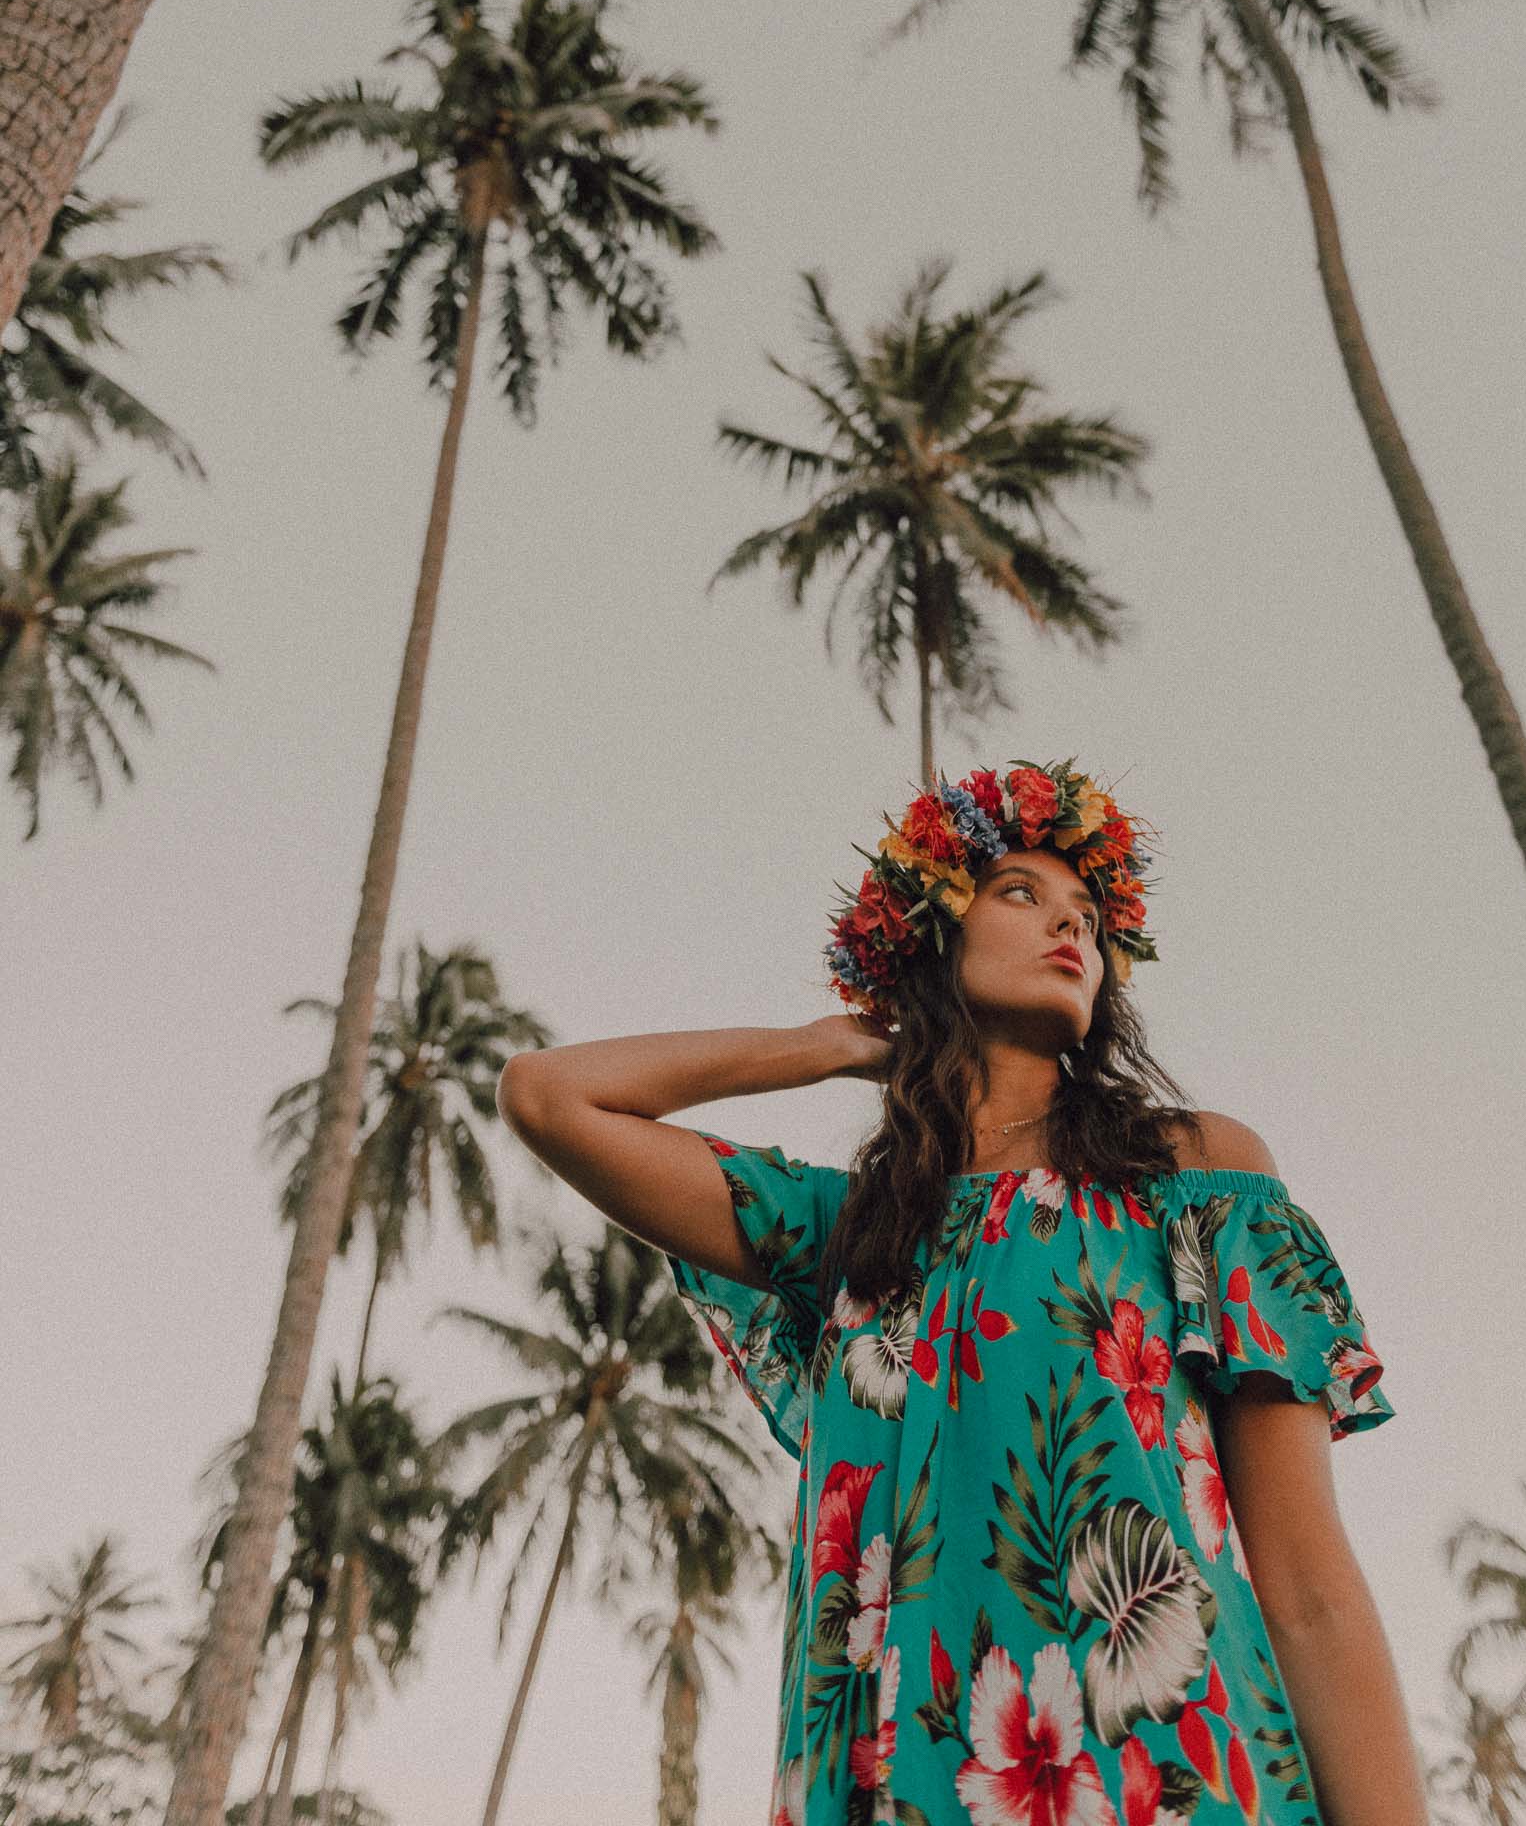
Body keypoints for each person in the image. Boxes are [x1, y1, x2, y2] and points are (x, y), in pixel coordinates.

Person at [498, 759, 1426, 1825]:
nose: (1068, 927)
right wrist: (819, 1049)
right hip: (890, 1775)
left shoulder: (1194, 1176)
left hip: (1164, 1774)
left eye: (1087, 913)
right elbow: (550, 1096)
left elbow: (1308, 1586)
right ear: (931, 937)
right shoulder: (845, 1233)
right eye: (1021, 895)